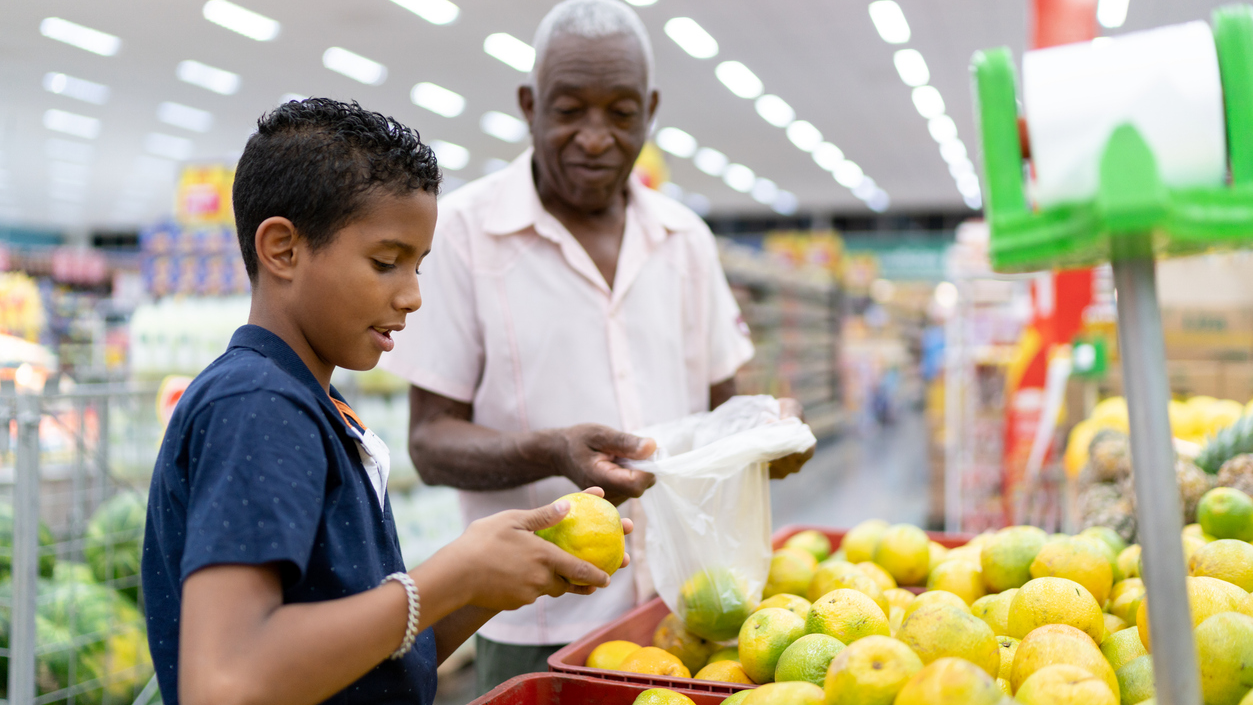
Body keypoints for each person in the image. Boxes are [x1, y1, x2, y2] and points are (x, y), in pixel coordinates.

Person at [379, 0, 814, 693]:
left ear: (650, 110)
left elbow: (723, 415)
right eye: (569, 109)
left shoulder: (684, 240)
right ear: (528, 104)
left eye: (619, 112)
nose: (593, 137)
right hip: (533, 616)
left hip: (682, 609)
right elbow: (430, 443)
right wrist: (550, 451)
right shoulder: (462, 233)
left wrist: (768, 439)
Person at [141, 99, 630, 705]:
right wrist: (448, 577)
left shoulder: (316, 403)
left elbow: (366, 660)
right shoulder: (257, 405)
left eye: (419, 267)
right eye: (385, 263)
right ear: (282, 249)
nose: (413, 296)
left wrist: (486, 583)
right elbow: (227, 682)